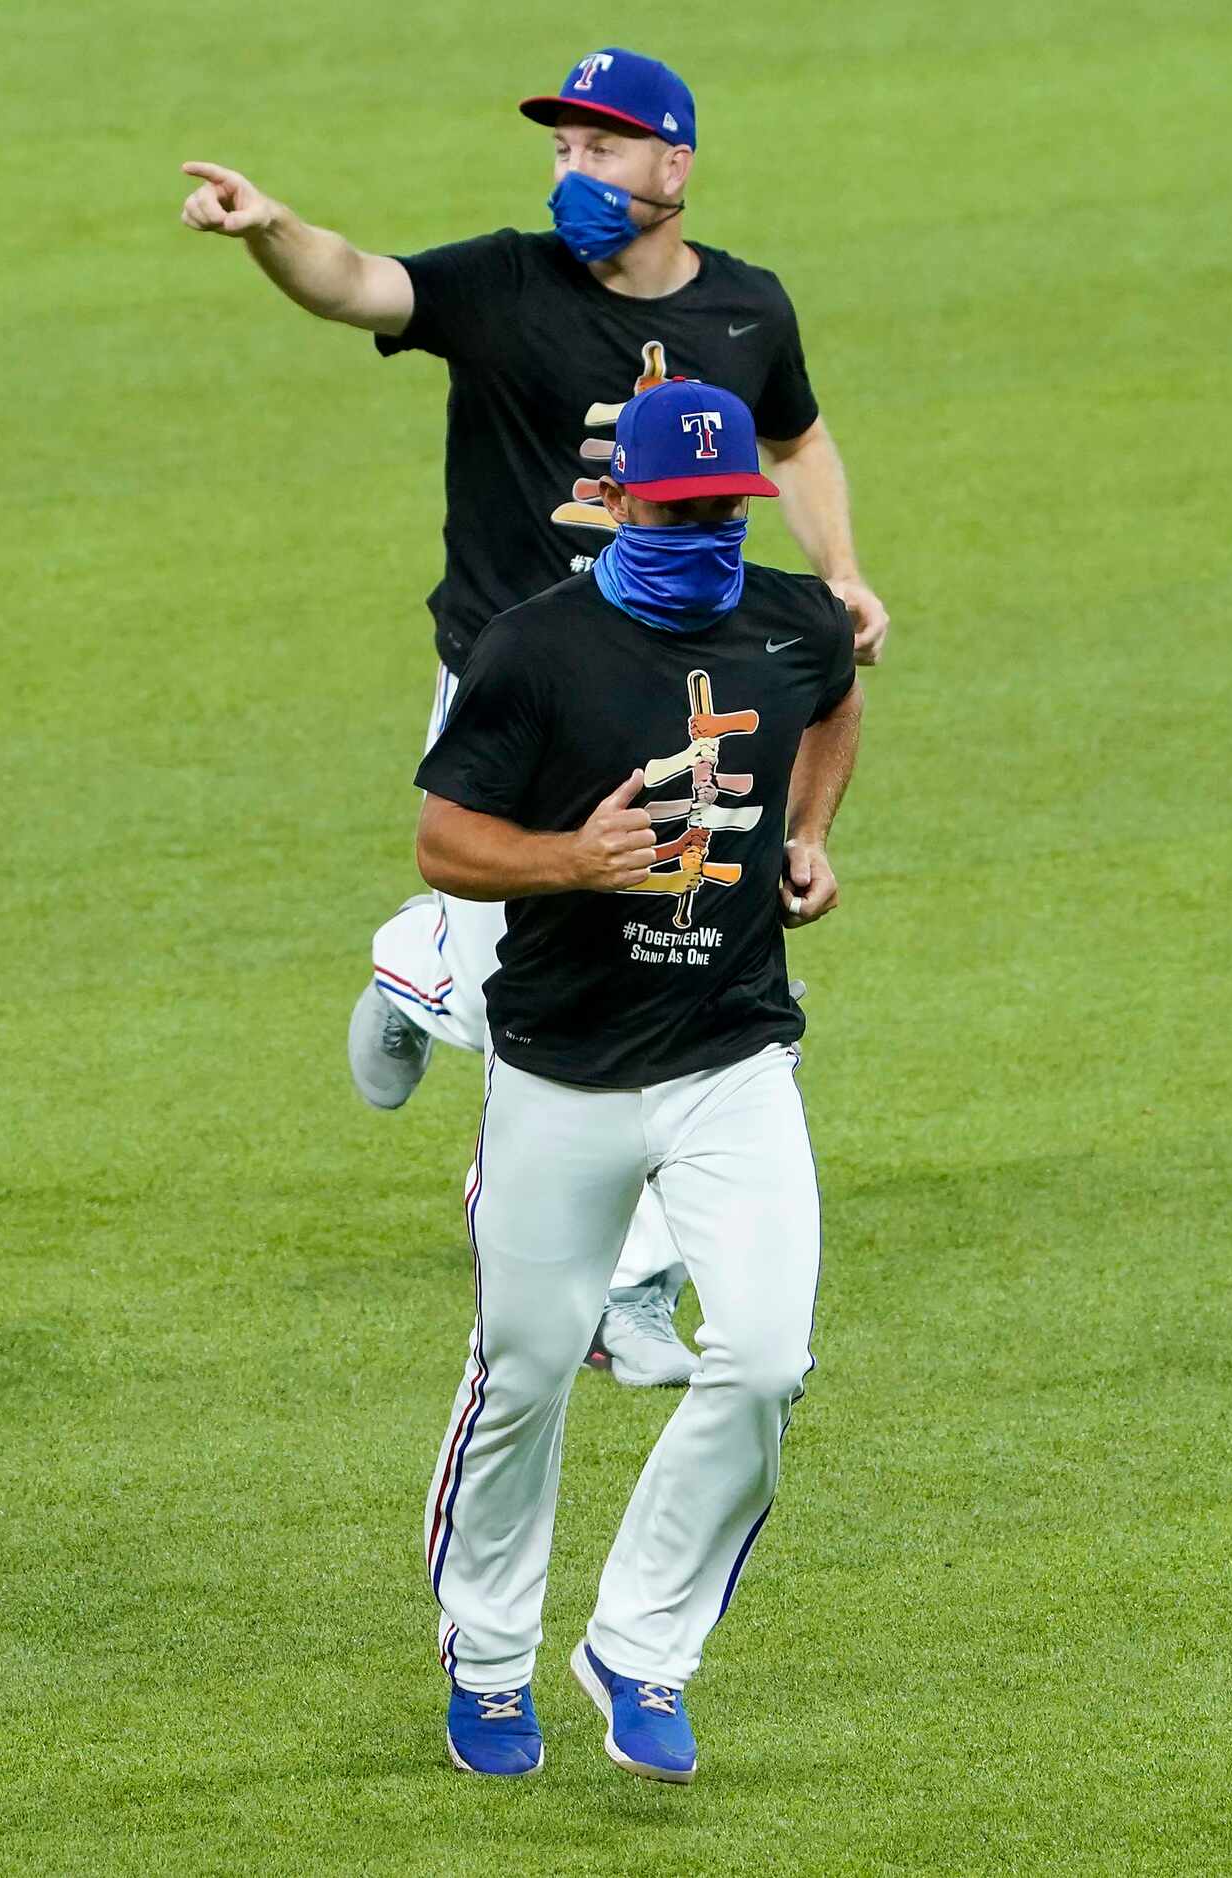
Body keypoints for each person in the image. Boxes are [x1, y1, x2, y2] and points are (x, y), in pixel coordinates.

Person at [179, 47, 887, 1387]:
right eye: (561, 151)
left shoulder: (747, 308)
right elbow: (362, 283)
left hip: (673, 684)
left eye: (602, 151)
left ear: (672, 168)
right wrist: (268, 228)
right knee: (555, 1019)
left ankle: (442, 992)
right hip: (518, 691)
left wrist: (841, 571)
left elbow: (793, 442)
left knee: (680, 983)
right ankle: (438, 980)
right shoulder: (505, 285)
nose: (574, 173)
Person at [411, 380, 861, 1782]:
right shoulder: (532, 649)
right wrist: (570, 861)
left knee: (766, 1356)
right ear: (620, 504)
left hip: (732, 1056)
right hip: (562, 1070)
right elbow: (442, 839)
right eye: (681, 511)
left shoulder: (789, 621)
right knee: (528, 1370)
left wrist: (807, 833)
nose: (708, 533)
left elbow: (833, 700)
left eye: (727, 511)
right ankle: (487, 1663)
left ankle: (638, 1647)